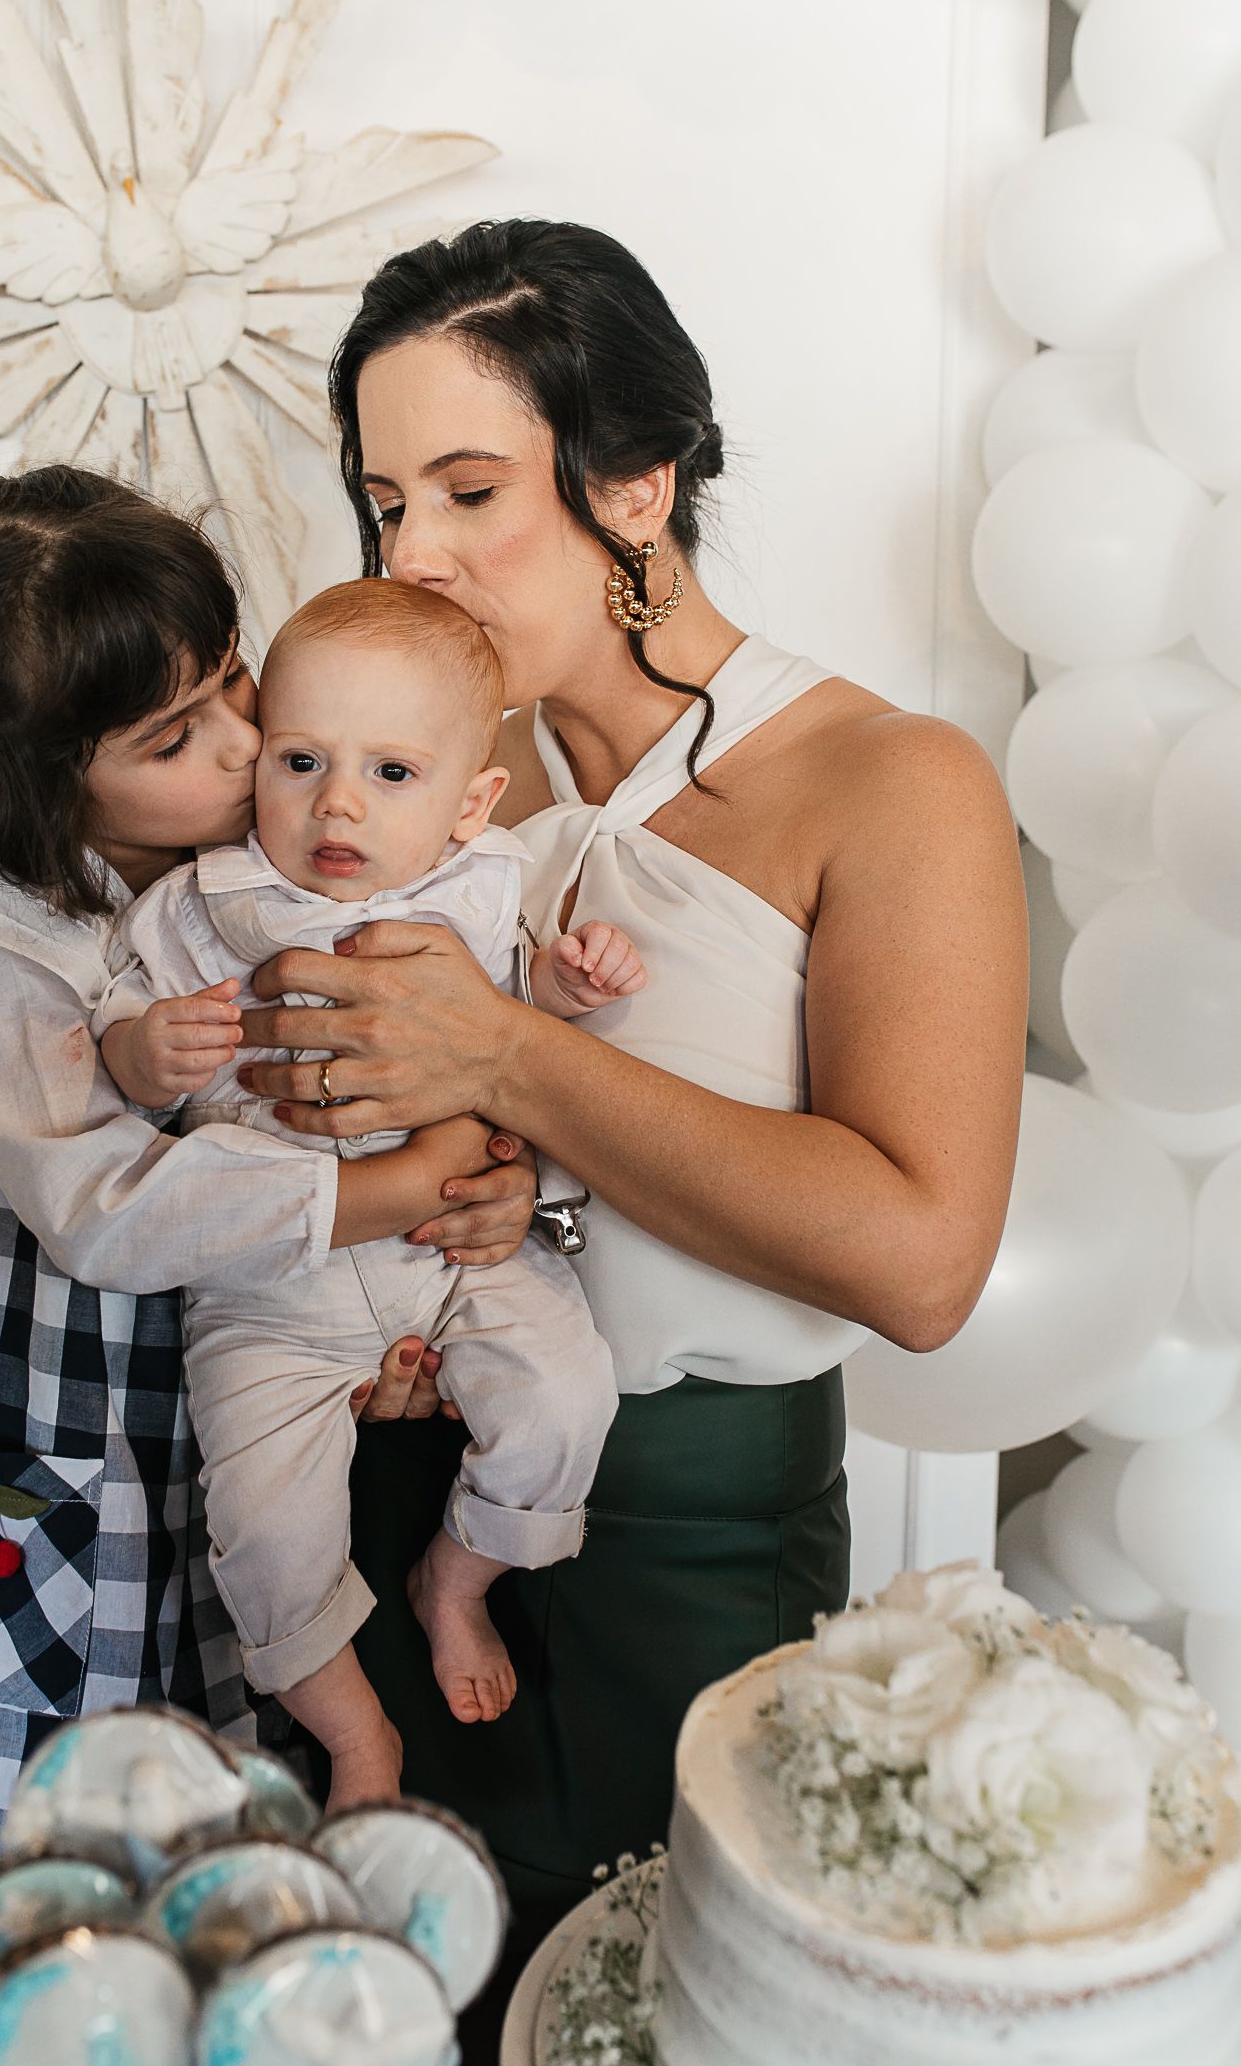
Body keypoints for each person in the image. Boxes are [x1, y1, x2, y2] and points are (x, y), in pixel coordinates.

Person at [233, 218, 1030, 1949]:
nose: (412, 555)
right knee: (384, 1973)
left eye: (468, 492)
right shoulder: (406, 787)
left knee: (664, 1984)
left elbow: (921, 1264)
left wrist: (509, 1054)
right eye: (384, 503)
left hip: (697, 1532)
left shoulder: (888, 781)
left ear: (637, 484)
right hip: (391, 1490)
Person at [0, 467, 537, 2066]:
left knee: (153, 1888)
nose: (242, 746)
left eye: (230, 688)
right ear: (44, 783)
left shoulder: (238, 861)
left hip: (183, 1430)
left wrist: (476, 1197)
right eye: (175, 736)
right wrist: (392, 1191)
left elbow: (412, 1070)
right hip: (28, 1460)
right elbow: (107, 1214)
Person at [94, 576, 636, 1803]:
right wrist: (142, 1049)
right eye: (301, 761)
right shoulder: (201, 904)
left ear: (470, 802)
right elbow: (118, 1032)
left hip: (458, 1248)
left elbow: (522, 1028)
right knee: (263, 1528)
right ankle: (352, 1733)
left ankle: (461, 1576)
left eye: (392, 773)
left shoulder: (486, 887)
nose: (336, 803)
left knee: (564, 1398)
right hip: (266, 1286)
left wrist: (568, 986)